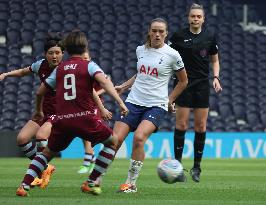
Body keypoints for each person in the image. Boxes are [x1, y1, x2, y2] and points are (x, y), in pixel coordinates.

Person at [16, 30, 128, 197]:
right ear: (85, 47)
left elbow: (40, 92)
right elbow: (104, 82)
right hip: (85, 119)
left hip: (63, 121)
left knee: (46, 154)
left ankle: (24, 185)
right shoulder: (88, 65)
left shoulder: (60, 69)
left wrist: (38, 111)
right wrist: (120, 103)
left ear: (66, 49)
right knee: (113, 141)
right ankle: (91, 182)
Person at [113, 18, 188, 193]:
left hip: (156, 104)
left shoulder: (173, 55)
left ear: (166, 33)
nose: (157, 34)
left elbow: (183, 81)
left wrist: (169, 100)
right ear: (149, 31)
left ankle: (130, 184)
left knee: (139, 138)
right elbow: (141, 74)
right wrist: (124, 86)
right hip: (133, 101)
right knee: (114, 141)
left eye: (161, 31)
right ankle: (95, 180)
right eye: (154, 30)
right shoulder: (140, 50)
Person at [0, 33, 64, 187]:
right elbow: (23, 72)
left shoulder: (66, 70)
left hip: (60, 112)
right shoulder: (40, 65)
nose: (54, 56)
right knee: (22, 139)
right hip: (43, 111)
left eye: (58, 53)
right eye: (51, 53)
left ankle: (41, 173)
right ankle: (45, 167)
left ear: (63, 53)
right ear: (45, 54)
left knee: (41, 136)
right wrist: (6, 74)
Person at [169, 3, 222, 183]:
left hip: (201, 86)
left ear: (203, 19)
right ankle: (177, 167)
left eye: (199, 16)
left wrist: (216, 77)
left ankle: (197, 167)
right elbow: (167, 58)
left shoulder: (209, 36)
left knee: (200, 127)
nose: (196, 19)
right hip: (183, 85)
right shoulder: (178, 36)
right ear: (188, 18)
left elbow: (215, 60)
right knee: (182, 126)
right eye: (193, 16)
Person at [77, 51, 112, 174]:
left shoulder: (93, 69)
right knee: (83, 135)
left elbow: (108, 82)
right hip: (82, 105)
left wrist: (96, 93)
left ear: (90, 58)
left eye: (86, 58)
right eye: (82, 58)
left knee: (87, 132)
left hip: (94, 105)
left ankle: (87, 163)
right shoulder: (79, 70)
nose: (84, 60)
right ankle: (95, 161)